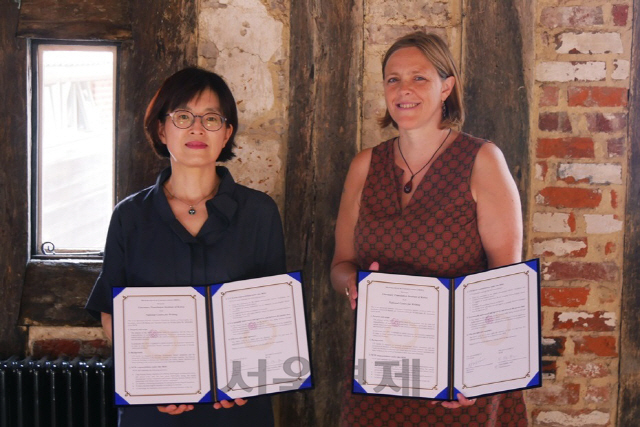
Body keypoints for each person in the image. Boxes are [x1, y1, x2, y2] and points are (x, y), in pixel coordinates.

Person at [330, 32, 527, 426]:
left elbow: (504, 286)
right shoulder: (364, 165)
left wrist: (476, 375)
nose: (404, 89)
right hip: (381, 372)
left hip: (459, 380)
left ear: (446, 87)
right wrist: (351, 282)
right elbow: (340, 264)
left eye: (419, 78)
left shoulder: (481, 159)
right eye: (393, 79)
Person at [85, 67, 285, 427]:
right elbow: (112, 312)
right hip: (155, 406)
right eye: (182, 117)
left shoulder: (260, 212)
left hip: (238, 405)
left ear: (227, 134)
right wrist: (154, 383)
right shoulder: (130, 217)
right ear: (162, 130)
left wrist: (252, 379)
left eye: (211, 118)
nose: (197, 128)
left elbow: (272, 313)